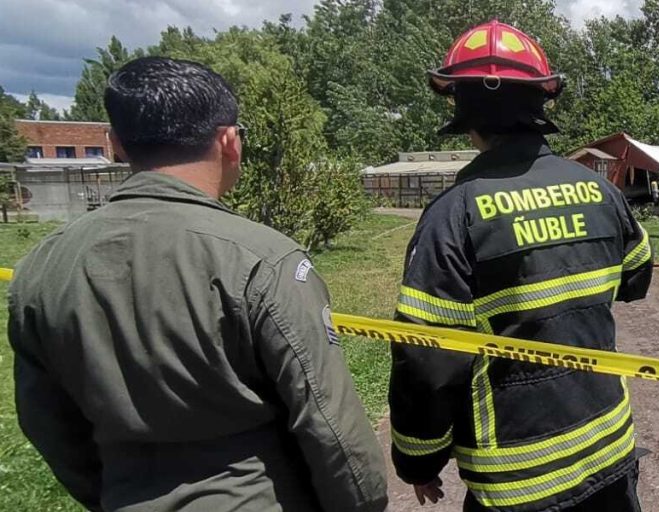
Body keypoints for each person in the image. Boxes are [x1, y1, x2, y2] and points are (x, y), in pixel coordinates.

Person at [8, 57, 388, 512]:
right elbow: (329, 421)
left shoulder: (41, 267)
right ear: (230, 141)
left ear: (116, 145)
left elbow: (47, 421)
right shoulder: (262, 258)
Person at [388, 20, 653, 512]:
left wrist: (418, 462)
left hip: (518, 482)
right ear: (541, 101)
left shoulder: (452, 215)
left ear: (461, 107)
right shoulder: (601, 192)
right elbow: (636, 278)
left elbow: (427, 360)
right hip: (610, 452)